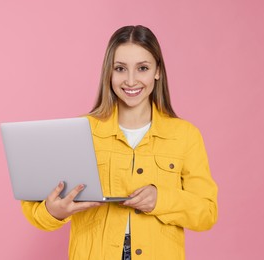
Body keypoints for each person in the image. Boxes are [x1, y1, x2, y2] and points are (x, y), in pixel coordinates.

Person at [21, 25, 218, 260]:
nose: (131, 81)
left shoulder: (185, 135)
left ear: (157, 71)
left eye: (142, 68)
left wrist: (161, 199)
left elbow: (207, 213)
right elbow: (35, 209)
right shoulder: (79, 132)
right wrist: (53, 212)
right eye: (120, 69)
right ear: (109, 73)